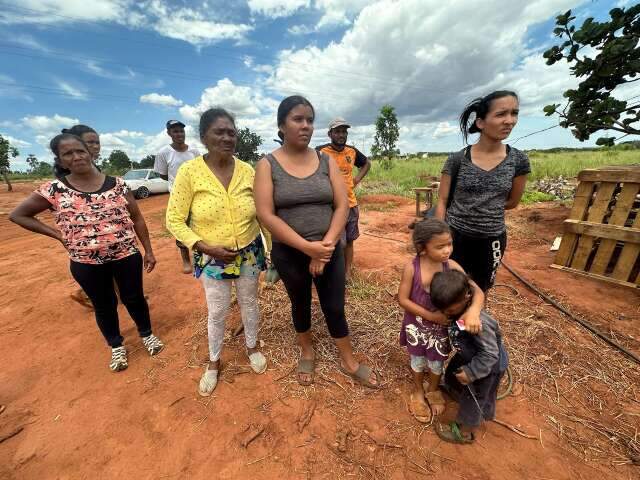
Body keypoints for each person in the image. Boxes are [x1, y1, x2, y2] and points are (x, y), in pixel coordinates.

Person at [9, 133, 164, 372]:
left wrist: (149, 251)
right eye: (67, 153)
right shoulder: (54, 189)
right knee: (104, 305)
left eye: (80, 150)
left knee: (134, 298)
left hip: (126, 256)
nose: (76, 156)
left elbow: (137, 218)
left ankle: (147, 335)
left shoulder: (119, 184)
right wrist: (58, 235)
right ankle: (116, 346)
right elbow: (18, 215)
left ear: (90, 153)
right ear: (61, 161)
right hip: (85, 262)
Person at [254, 95, 379, 388]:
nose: (306, 125)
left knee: (334, 305)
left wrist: (325, 247)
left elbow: (342, 205)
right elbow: (266, 214)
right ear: (281, 125)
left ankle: (348, 359)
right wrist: (306, 247)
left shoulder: (325, 160)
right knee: (300, 303)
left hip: (328, 248)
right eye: (298, 119)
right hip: (290, 252)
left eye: (310, 120)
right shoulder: (267, 164)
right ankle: (307, 351)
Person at [166, 108, 269, 397]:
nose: (227, 137)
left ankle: (252, 347)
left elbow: (262, 215)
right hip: (211, 256)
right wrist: (203, 246)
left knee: (249, 302)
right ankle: (213, 362)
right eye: (219, 132)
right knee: (218, 310)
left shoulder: (248, 170)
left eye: (231, 133)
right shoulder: (190, 172)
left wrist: (270, 251)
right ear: (204, 137)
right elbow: (174, 220)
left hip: (248, 251)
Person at [435, 91, 530, 292]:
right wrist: (440, 235)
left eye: (514, 113)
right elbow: (442, 200)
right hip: (456, 236)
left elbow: (513, 202)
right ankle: (450, 323)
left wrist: (485, 209)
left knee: (481, 289)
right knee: (450, 289)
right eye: (501, 114)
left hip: (492, 240)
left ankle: (473, 322)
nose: (509, 121)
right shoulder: (457, 160)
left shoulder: (519, 161)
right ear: (481, 123)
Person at [398, 218, 484, 423]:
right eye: (440, 246)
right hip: (417, 327)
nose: (447, 250)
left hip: (441, 331)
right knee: (417, 360)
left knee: (437, 361)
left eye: (450, 244)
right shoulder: (412, 268)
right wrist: (430, 316)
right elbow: (402, 299)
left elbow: (477, 291)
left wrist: (473, 312)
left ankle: (434, 389)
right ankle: (418, 390)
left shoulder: (451, 266)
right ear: (422, 247)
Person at [429, 270, 508, 444]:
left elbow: (489, 354)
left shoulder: (478, 324)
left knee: (475, 398)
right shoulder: (457, 308)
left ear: (466, 297)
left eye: (449, 310)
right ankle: (454, 390)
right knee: (451, 373)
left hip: (487, 367)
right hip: (469, 356)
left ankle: (464, 432)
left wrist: (472, 372)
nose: (445, 313)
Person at [316, 118, 370, 282]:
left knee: (350, 241)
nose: (341, 135)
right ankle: (332, 272)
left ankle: (347, 273)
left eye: (344, 131)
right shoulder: (320, 152)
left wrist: (356, 180)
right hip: (330, 206)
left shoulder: (352, 151)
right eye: (337, 131)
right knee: (335, 241)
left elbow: (367, 164)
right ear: (330, 134)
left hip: (351, 204)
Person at [154, 120, 201, 274]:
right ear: (169, 133)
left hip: (197, 193)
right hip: (178, 196)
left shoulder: (194, 151)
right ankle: (186, 260)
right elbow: (163, 174)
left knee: (199, 223)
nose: (179, 134)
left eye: (181, 131)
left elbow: (201, 169)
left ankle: (201, 255)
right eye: (175, 131)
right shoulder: (163, 153)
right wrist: (179, 184)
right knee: (181, 225)